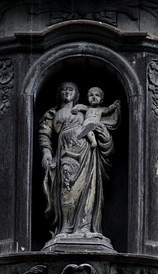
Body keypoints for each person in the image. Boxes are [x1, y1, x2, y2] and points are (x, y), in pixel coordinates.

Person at [38, 80, 120, 247]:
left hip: (87, 154)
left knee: (88, 190)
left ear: (76, 94)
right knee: (66, 190)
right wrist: (46, 152)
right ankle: (66, 229)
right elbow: (44, 134)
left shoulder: (84, 110)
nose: (67, 92)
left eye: (71, 89)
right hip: (65, 154)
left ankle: (84, 227)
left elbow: (98, 127)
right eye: (63, 89)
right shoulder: (53, 113)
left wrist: (102, 135)